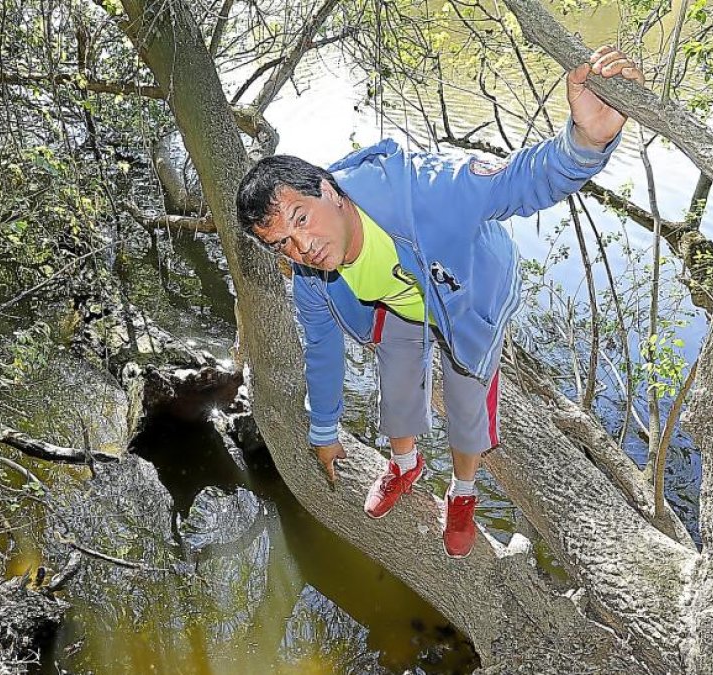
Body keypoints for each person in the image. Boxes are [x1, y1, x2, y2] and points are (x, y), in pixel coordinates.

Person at [235, 46, 644, 558]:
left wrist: (587, 141)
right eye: (282, 244)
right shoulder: (310, 276)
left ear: (327, 189)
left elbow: (521, 182)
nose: (303, 247)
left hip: (464, 295)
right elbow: (321, 348)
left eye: (300, 218)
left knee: (466, 403)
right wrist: (323, 426)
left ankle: (463, 492)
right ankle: (405, 465)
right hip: (400, 301)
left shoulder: (426, 190)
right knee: (398, 383)